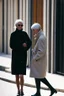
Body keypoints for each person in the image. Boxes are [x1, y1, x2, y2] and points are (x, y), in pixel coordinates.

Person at [30, 23, 57, 96]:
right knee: (38, 77)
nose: (33, 32)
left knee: (40, 77)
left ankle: (51, 89)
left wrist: (35, 58)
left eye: (33, 30)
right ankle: (39, 92)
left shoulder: (41, 38)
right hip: (38, 62)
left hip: (39, 61)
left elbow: (41, 51)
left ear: (37, 29)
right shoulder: (39, 36)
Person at [10, 19, 32, 96]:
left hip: (23, 55)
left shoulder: (25, 34)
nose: (20, 26)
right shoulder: (13, 34)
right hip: (16, 56)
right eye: (19, 25)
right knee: (16, 74)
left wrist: (26, 46)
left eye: (21, 25)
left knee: (21, 74)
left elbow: (29, 42)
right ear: (16, 26)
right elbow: (11, 45)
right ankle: (18, 90)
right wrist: (21, 45)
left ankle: (22, 90)